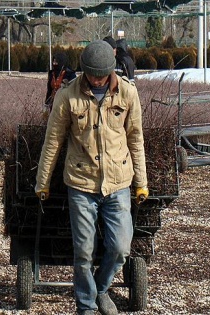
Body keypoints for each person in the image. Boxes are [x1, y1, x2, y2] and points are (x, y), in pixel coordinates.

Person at [35, 40, 149, 315]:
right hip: (81, 183)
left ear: (112, 70)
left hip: (118, 182)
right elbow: (53, 141)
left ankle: (100, 289)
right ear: (84, 70)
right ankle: (85, 307)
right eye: (92, 74)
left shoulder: (127, 94)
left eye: (102, 74)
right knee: (84, 252)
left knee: (121, 248)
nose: (97, 79)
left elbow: (135, 138)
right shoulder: (67, 96)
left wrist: (141, 183)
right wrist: (42, 182)